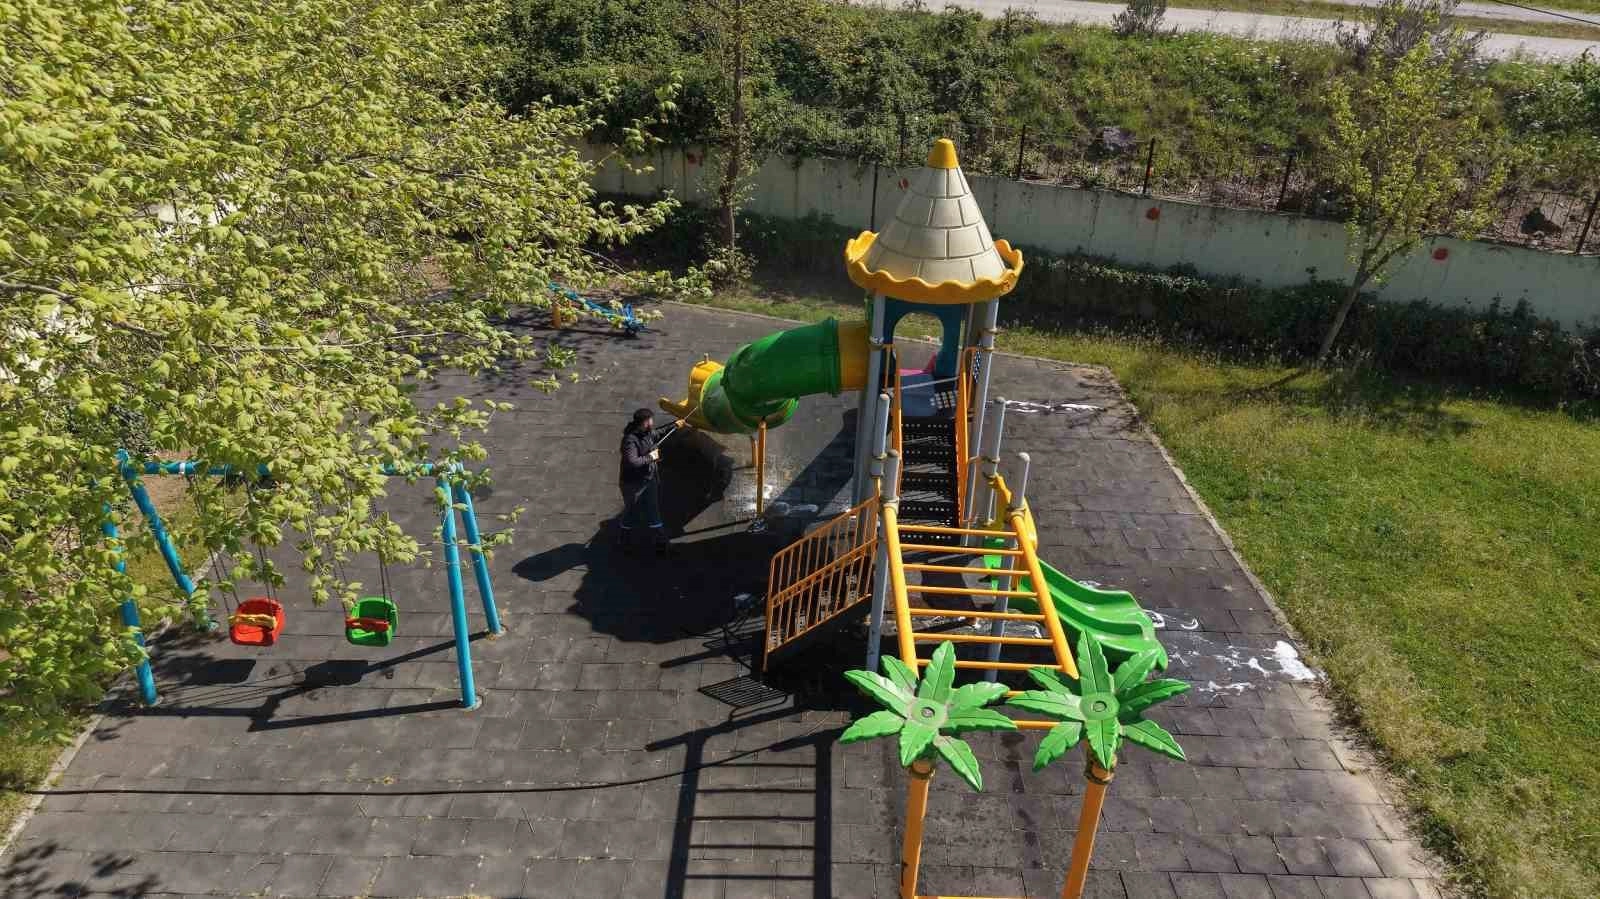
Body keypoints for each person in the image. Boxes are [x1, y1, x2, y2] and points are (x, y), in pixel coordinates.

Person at [617, 408, 667, 552]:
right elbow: (633, 461)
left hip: (648, 479)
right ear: (645, 422)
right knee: (632, 511)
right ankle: (624, 538)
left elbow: (658, 433)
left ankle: (661, 543)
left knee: (653, 509)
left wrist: (675, 425)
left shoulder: (647, 432)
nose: (652, 422)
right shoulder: (630, 440)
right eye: (650, 419)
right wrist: (651, 457)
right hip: (633, 483)